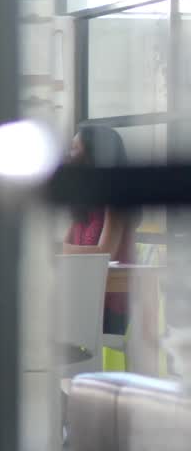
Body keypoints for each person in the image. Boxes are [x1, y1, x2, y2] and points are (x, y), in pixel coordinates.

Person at [60, 124, 136, 335]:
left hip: (108, 305)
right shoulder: (83, 202)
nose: (69, 154)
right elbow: (63, 247)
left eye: (75, 148)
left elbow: (104, 253)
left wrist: (57, 248)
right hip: (83, 294)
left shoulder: (115, 198)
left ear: (94, 156)